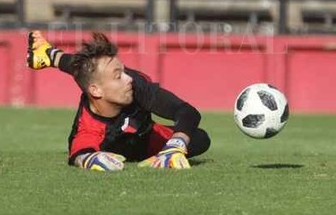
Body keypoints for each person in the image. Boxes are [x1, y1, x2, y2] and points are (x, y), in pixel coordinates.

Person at [26, 31, 211, 171]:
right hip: (116, 142)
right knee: (87, 71)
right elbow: (78, 153)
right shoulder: (88, 126)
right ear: (96, 91)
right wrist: (90, 160)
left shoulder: (135, 86)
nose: (127, 78)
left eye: (123, 71)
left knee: (199, 138)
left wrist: (175, 145)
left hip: (146, 138)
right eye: (118, 76)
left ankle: (48, 54)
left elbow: (185, 110)